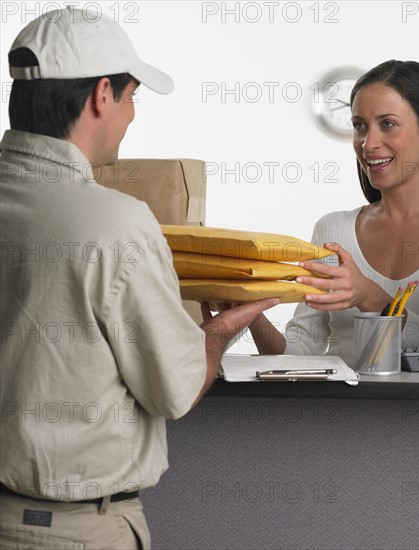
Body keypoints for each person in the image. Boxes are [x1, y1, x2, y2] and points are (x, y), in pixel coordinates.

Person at [0, 8, 276, 549]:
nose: (131, 116)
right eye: (131, 98)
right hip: (72, 533)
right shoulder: (114, 223)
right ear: (103, 95)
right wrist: (215, 336)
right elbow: (173, 390)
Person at [247, 60, 419, 367]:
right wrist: (248, 311)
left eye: (387, 124)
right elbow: (300, 352)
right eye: (359, 125)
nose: (368, 143)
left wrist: (372, 297)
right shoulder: (333, 230)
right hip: (340, 411)